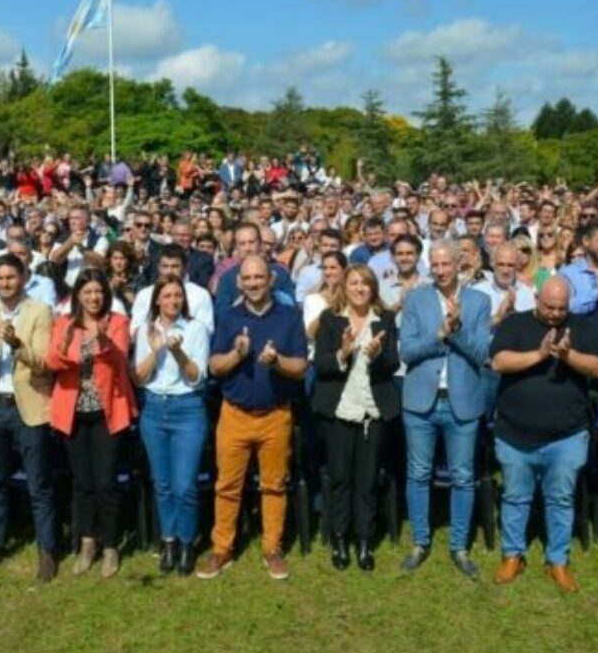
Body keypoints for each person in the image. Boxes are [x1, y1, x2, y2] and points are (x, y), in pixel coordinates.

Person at [489, 277, 598, 592]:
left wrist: (568, 356)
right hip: (516, 433)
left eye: (561, 308)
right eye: (549, 306)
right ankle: (513, 555)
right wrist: (540, 355)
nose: (555, 313)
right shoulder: (515, 324)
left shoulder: (583, 326)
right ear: (537, 298)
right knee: (515, 497)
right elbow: (498, 361)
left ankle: (558, 560)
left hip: (566, 435)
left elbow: (597, 368)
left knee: (560, 499)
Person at [199, 255, 308, 581]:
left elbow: (301, 368)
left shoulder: (290, 317)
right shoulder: (229, 317)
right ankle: (222, 550)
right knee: (227, 487)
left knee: (274, 486)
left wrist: (276, 362)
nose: (254, 283)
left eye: (259, 277)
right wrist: (238, 354)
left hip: (276, 415)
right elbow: (214, 367)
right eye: (247, 279)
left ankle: (272, 549)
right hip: (234, 415)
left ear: (271, 279)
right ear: (239, 282)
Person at [398, 240, 492, 579]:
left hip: (461, 402)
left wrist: (457, 331)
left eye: (445, 264)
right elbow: (407, 353)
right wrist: (439, 335)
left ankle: (459, 546)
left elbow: (483, 352)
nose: (439, 271)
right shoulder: (416, 299)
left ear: (459, 264)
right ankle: (420, 541)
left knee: (463, 476)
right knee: (418, 473)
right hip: (421, 401)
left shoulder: (479, 302)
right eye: (434, 265)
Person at [0, 254, 58, 582]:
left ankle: (47, 550)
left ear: (23, 278)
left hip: (29, 407)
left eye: (11, 277)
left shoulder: (39, 311)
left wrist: (16, 344)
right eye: (0, 278)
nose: (5, 283)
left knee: (39, 484)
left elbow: (44, 362)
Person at [46, 268, 136, 578]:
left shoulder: (118, 323)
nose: (94, 297)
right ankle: (87, 542)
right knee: (82, 484)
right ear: (78, 297)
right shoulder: (63, 324)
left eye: (98, 292)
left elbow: (120, 358)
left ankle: (110, 544)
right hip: (73, 412)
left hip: (107, 412)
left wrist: (103, 342)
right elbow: (52, 363)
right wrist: (65, 344)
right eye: (87, 293)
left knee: (106, 482)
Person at [311, 264, 399, 572]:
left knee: (367, 480)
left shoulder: (384, 320)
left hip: (372, 412)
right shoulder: (330, 320)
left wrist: (376, 357)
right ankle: (339, 538)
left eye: (365, 283)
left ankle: (363, 541)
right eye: (354, 283)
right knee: (340, 479)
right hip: (339, 411)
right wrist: (342, 354)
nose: (360, 288)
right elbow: (320, 365)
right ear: (344, 287)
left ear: (373, 288)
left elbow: (393, 362)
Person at [132, 275, 211, 576]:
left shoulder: (195, 329)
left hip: (187, 409)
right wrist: (156, 350)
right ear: (157, 300)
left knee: (185, 485)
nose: (173, 301)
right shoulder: (145, 330)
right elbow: (138, 377)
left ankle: (188, 540)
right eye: (166, 296)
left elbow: (195, 377)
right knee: (162, 484)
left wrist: (177, 351)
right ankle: (169, 540)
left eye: (177, 296)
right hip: (154, 408)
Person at [129, 244, 214, 338]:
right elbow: (135, 331)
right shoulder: (144, 295)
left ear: (185, 267)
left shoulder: (201, 295)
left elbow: (206, 332)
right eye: (165, 266)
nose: (169, 271)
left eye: (175, 266)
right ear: (159, 267)